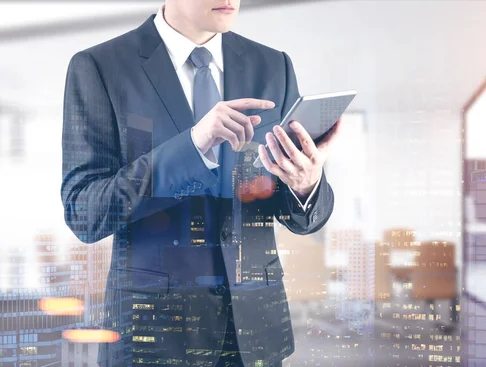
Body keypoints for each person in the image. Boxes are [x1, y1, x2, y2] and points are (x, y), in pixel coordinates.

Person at [60, 1, 339, 366]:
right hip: (154, 336)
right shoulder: (100, 67)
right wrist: (192, 147)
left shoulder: (274, 66)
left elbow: (298, 216)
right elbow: (85, 213)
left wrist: (307, 185)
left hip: (254, 334)